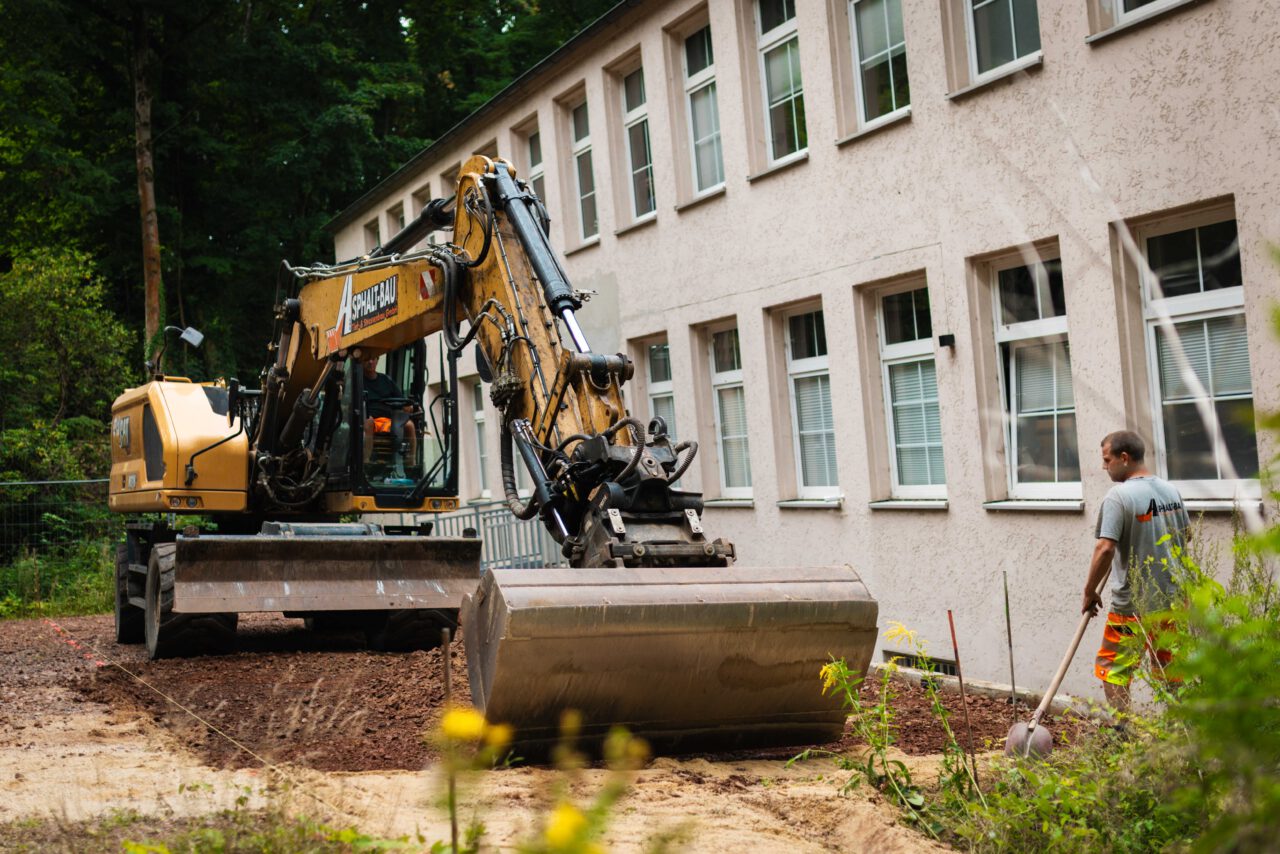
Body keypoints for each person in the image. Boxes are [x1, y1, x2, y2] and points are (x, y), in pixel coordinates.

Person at [1082, 430, 1190, 713]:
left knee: (1113, 671)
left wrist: (1089, 591)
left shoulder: (1118, 497)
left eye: (1107, 460)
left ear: (1124, 458)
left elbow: (1105, 549)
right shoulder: (1171, 491)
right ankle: (1181, 733)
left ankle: (1122, 734)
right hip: (1173, 603)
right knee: (1171, 671)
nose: (1105, 467)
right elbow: (1185, 536)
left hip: (1133, 608)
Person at [361, 356, 417, 466]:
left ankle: (411, 462)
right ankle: (365, 461)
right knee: (369, 422)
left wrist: (410, 407)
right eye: (367, 359)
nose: (370, 361)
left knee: (409, 425)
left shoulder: (386, 380)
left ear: (377, 360)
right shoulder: (358, 381)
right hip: (369, 418)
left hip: (388, 420)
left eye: (373, 359)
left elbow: (401, 400)